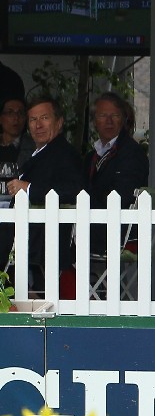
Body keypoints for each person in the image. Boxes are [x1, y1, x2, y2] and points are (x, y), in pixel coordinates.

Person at [2, 97, 89, 290]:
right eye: (33, 120)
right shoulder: (43, 152)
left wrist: (28, 188)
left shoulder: (64, 154)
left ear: (59, 122)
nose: (38, 125)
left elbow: (74, 190)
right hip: (25, 234)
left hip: (43, 238)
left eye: (44, 118)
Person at [85, 92, 150, 253]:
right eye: (102, 115)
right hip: (95, 229)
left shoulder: (131, 153)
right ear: (94, 122)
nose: (109, 121)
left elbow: (122, 196)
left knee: (54, 240)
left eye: (114, 115)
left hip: (117, 234)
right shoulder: (91, 156)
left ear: (123, 119)